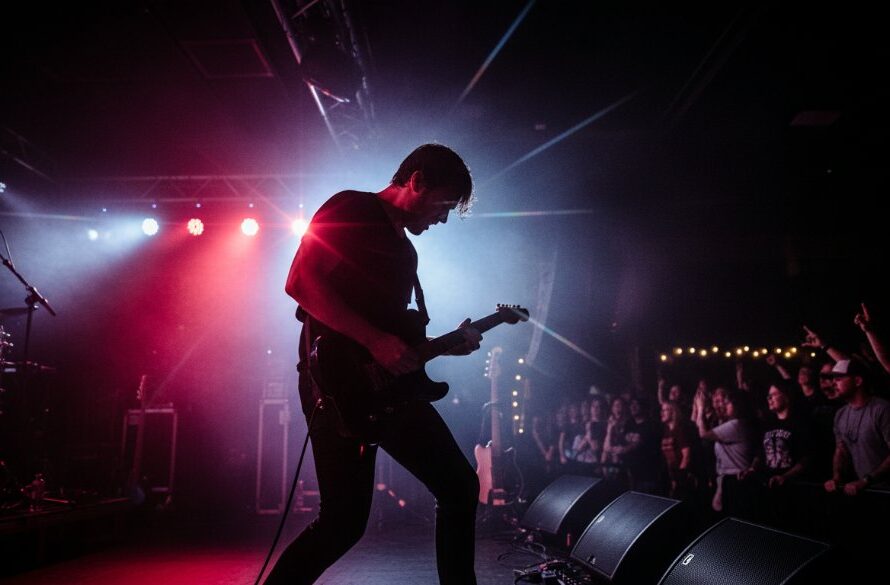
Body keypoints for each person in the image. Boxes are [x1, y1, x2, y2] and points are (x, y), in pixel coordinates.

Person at [269, 144, 483, 585]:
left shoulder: (407, 253)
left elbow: (394, 339)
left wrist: (441, 346)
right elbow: (299, 281)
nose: (442, 219)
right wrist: (374, 341)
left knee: (459, 487)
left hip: (387, 392)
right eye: (442, 204)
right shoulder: (352, 208)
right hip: (335, 386)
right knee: (342, 524)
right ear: (416, 180)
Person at [824, 359, 890, 495]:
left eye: (839, 378)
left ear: (858, 381)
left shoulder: (882, 409)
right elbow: (841, 450)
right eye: (834, 379)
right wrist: (837, 477)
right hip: (864, 490)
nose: (834, 383)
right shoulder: (840, 414)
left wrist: (867, 480)